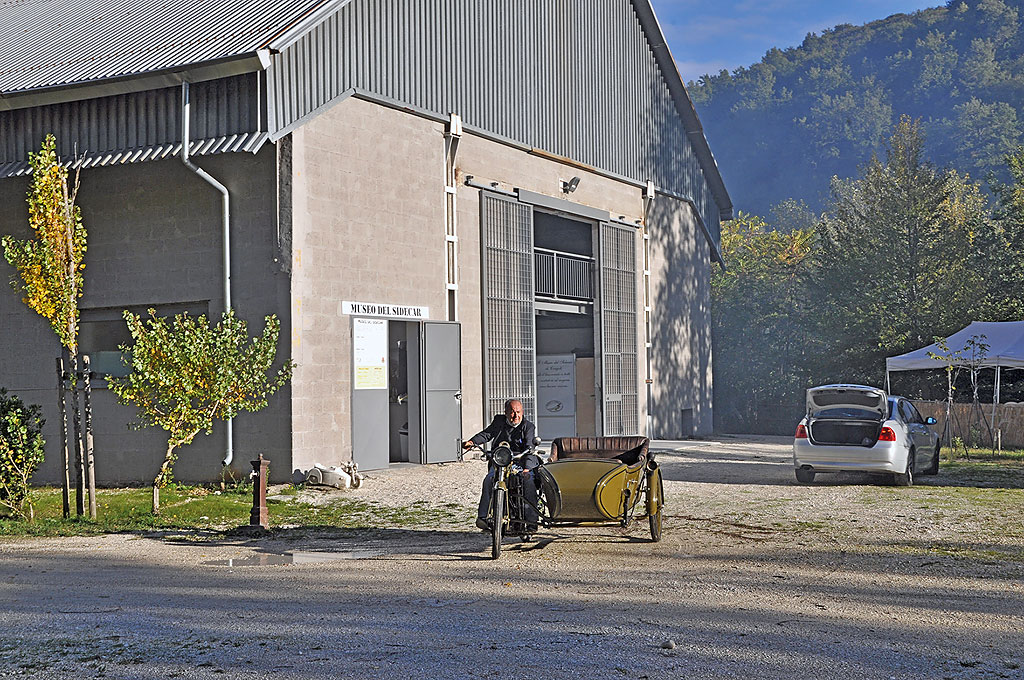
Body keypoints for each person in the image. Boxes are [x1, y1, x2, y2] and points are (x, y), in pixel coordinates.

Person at [463, 399, 539, 531]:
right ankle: (483, 518)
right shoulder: (499, 421)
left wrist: (527, 468)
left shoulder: (528, 426)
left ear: (522, 412)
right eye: (512, 412)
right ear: (505, 413)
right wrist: (472, 442)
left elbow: (530, 447)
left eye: (518, 412)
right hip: (500, 461)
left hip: (520, 461)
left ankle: (531, 521)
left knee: (529, 481)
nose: (515, 416)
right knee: (489, 479)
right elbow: (487, 434)